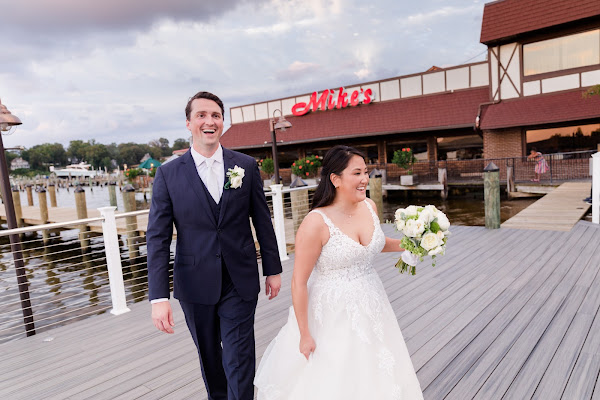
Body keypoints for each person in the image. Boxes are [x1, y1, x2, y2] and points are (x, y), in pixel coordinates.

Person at [254, 145, 424, 399]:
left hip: (372, 302)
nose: (365, 179)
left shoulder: (369, 206)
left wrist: (411, 243)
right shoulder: (316, 222)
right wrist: (304, 334)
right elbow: (298, 283)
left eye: (365, 172)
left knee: (378, 368)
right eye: (357, 173)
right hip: (332, 313)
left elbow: (373, 245)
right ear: (335, 179)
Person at [147, 91, 282, 400]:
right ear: (189, 123)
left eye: (216, 115)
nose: (210, 121)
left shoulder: (245, 166)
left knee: (239, 357)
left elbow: (262, 219)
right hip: (194, 283)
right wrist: (158, 296)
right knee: (210, 360)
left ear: (223, 122)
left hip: (240, 278)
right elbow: (157, 237)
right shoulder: (168, 175)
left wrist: (272, 268)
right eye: (202, 115)